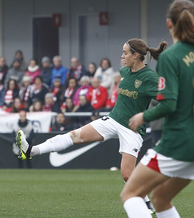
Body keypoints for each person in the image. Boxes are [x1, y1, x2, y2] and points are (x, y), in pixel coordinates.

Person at [16, 38, 167, 213]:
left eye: (125, 52)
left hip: (132, 129)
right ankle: (30, 151)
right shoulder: (125, 71)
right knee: (75, 135)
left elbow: (168, 99)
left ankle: (147, 203)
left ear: (136, 55)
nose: (122, 55)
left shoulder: (149, 78)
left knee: (126, 174)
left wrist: (148, 115)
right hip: (113, 120)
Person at [121, 0, 194, 217]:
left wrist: (143, 116)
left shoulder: (170, 57)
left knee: (130, 194)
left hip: (178, 142)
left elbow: (169, 104)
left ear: (169, 24)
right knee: (161, 199)